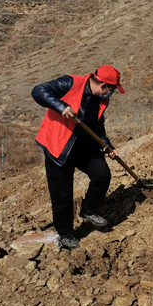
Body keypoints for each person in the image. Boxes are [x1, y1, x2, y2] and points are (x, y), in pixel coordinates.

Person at [31, 65, 125, 249]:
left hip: (84, 146)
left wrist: (108, 147)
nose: (111, 94)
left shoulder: (100, 100)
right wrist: (61, 106)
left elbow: (98, 128)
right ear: (103, 84)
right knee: (63, 194)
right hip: (58, 146)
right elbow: (38, 91)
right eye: (111, 90)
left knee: (102, 175)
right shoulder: (71, 83)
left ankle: (89, 210)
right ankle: (65, 233)